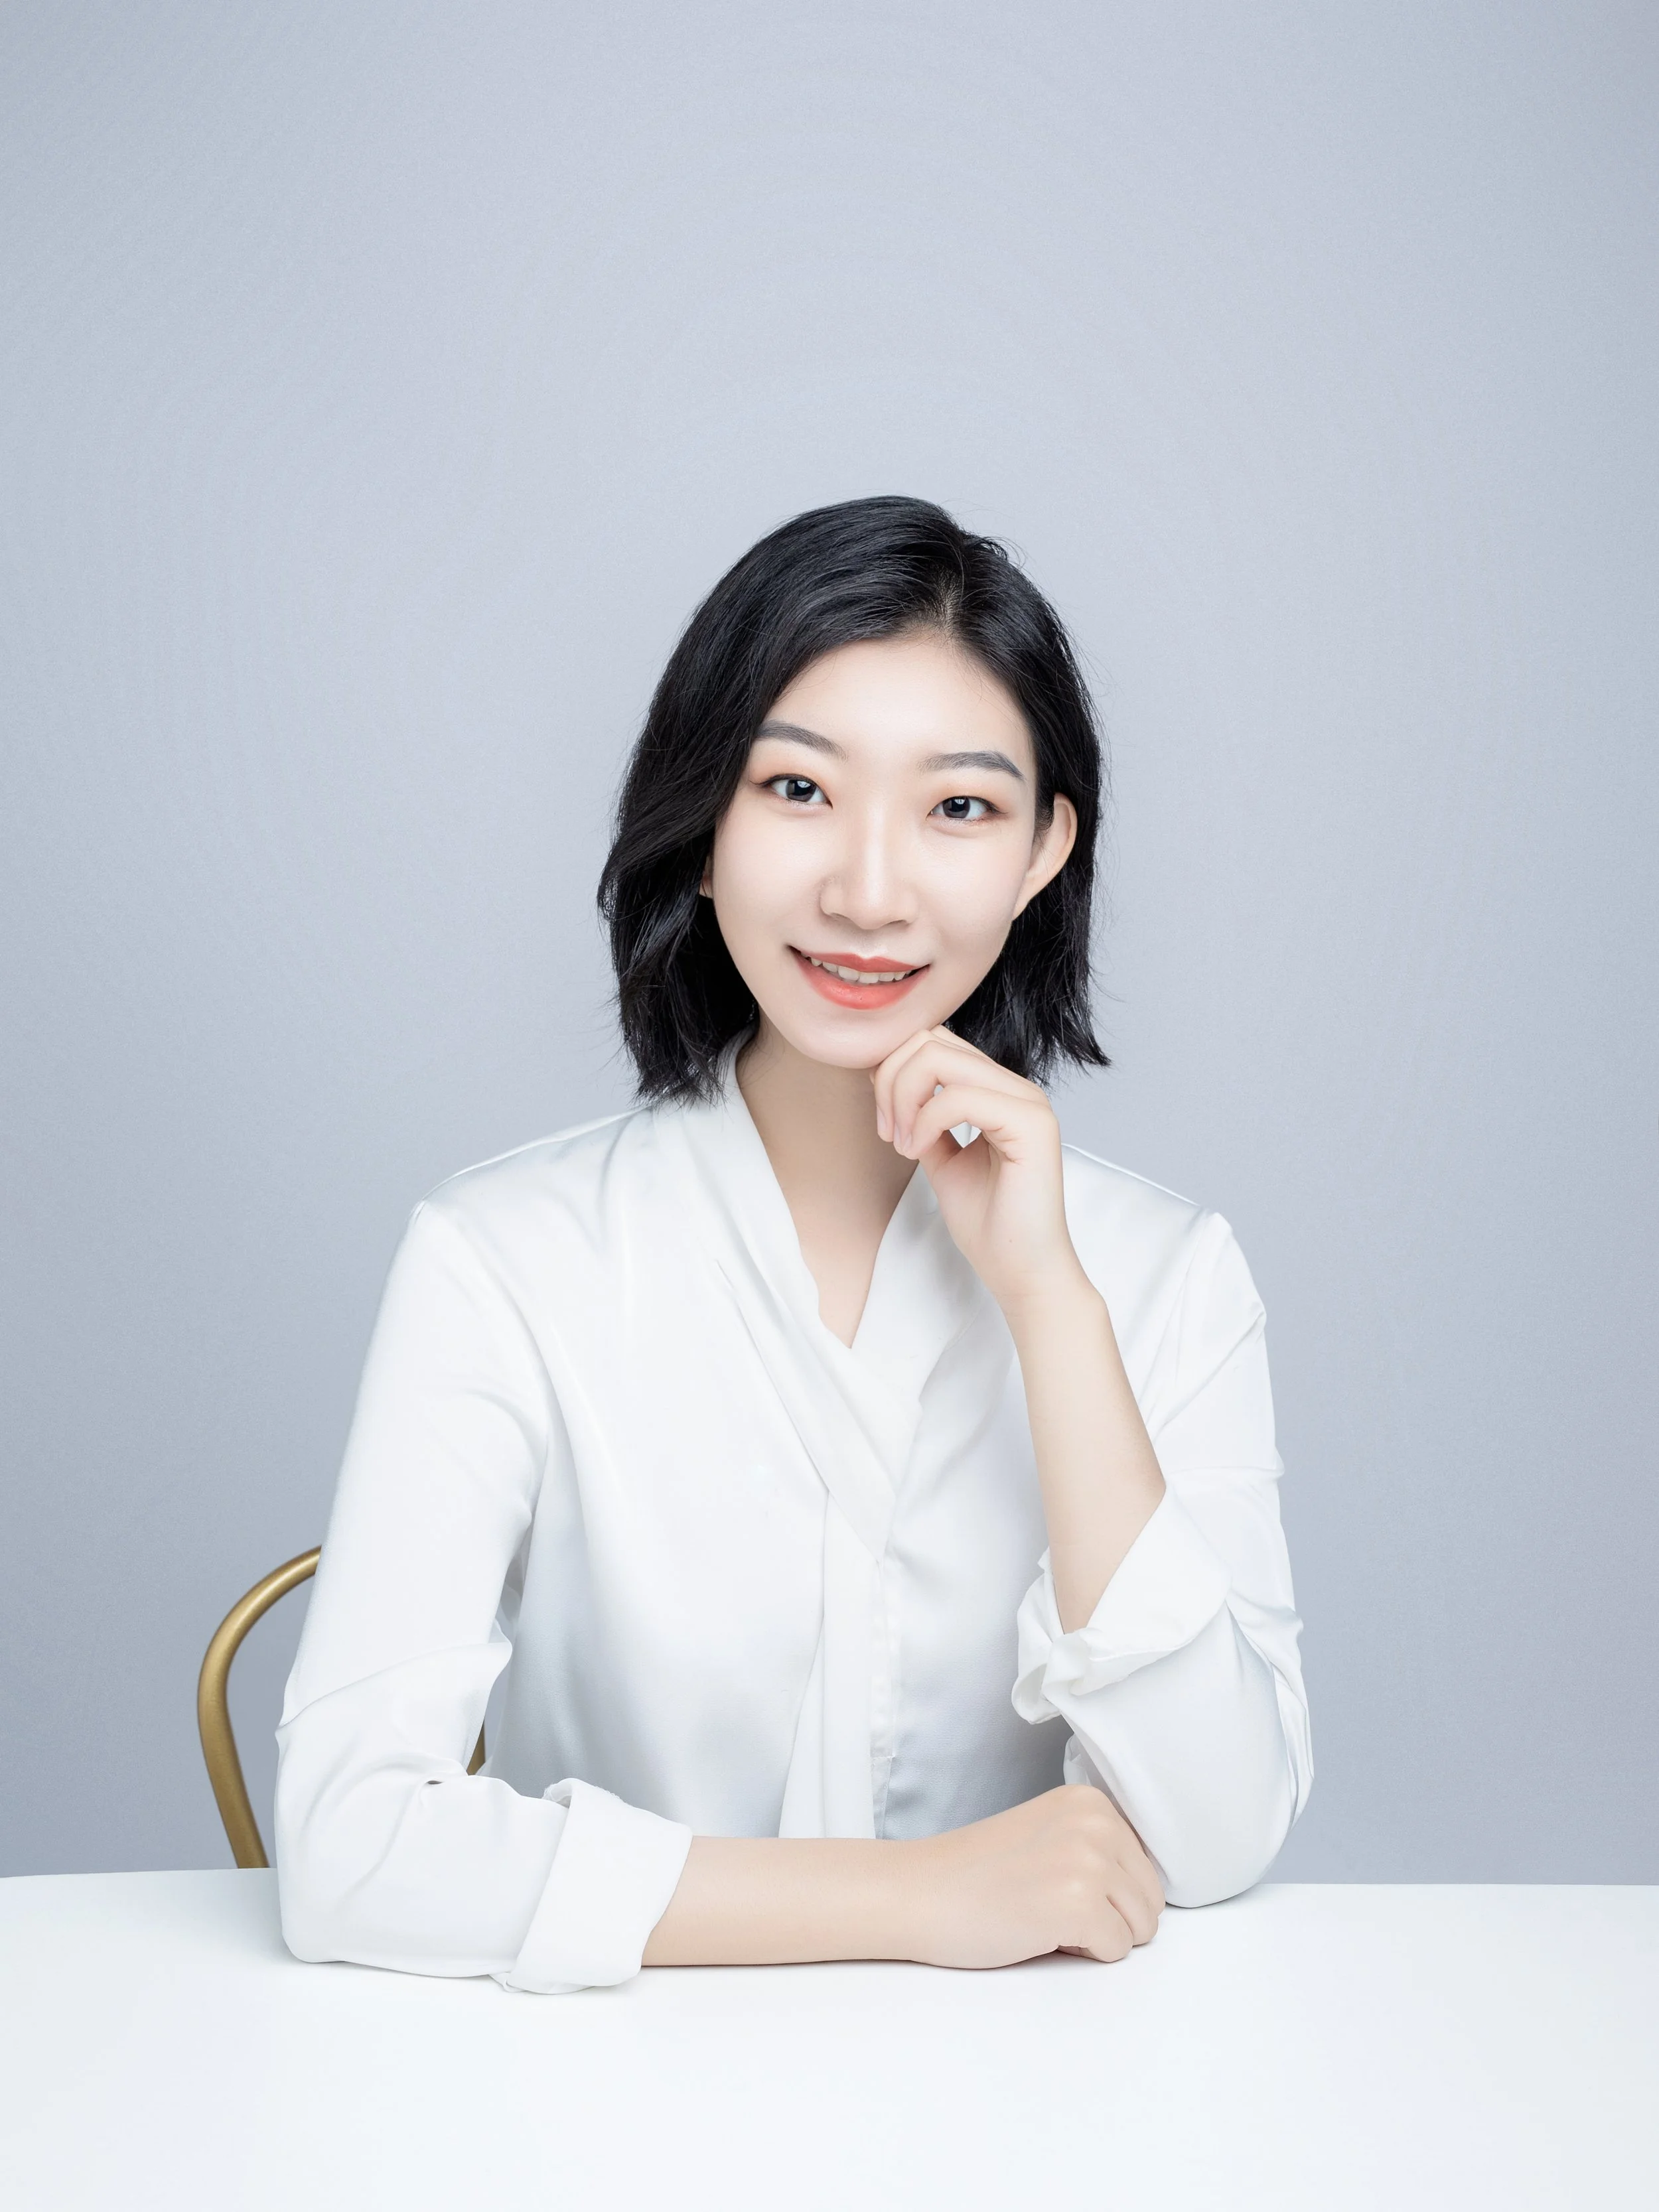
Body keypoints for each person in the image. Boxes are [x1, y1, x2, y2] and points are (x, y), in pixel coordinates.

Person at [275, 496, 1311, 1994]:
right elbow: (349, 1843)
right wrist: (908, 1897)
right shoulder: (503, 1258)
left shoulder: (1162, 1273)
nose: (867, 890)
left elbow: (1213, 1835)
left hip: (1039, 2110)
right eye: (796, 789)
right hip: (597, 2107)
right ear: (701, 829)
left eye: (957, 807)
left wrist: (1050, 1304)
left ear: (1039, 853)